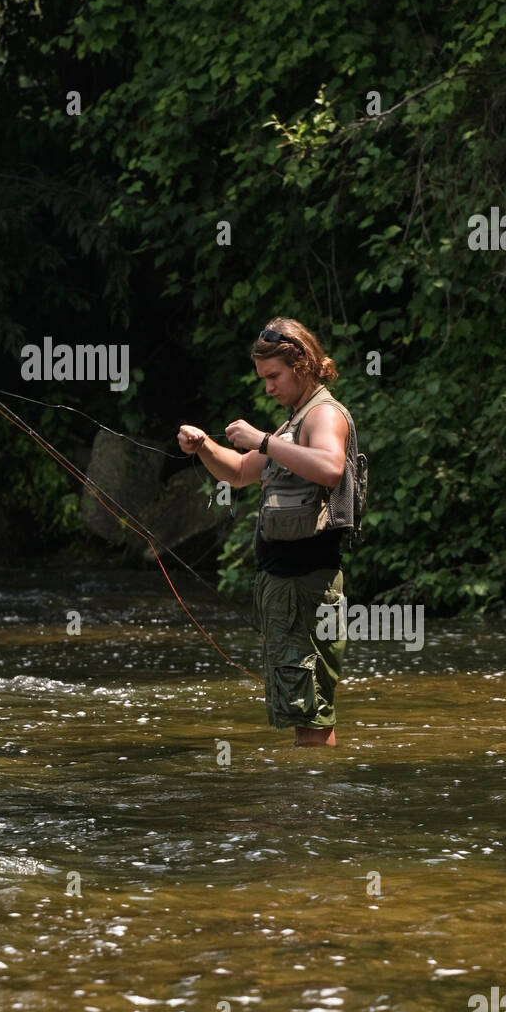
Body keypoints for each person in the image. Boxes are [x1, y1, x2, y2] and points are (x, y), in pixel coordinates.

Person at [178, 318, 360, 748]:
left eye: (274, 376)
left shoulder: (324, 415)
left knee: (310, 713)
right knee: (303, 708)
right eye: (264, 379)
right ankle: (307, 805)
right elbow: (240, 472)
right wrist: (204, 445)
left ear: (302, 363)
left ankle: (309, 810)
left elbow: (331, 469)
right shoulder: (294, 421)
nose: (268, 388)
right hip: (287, 588)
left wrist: (261, 439)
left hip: (306, 586)